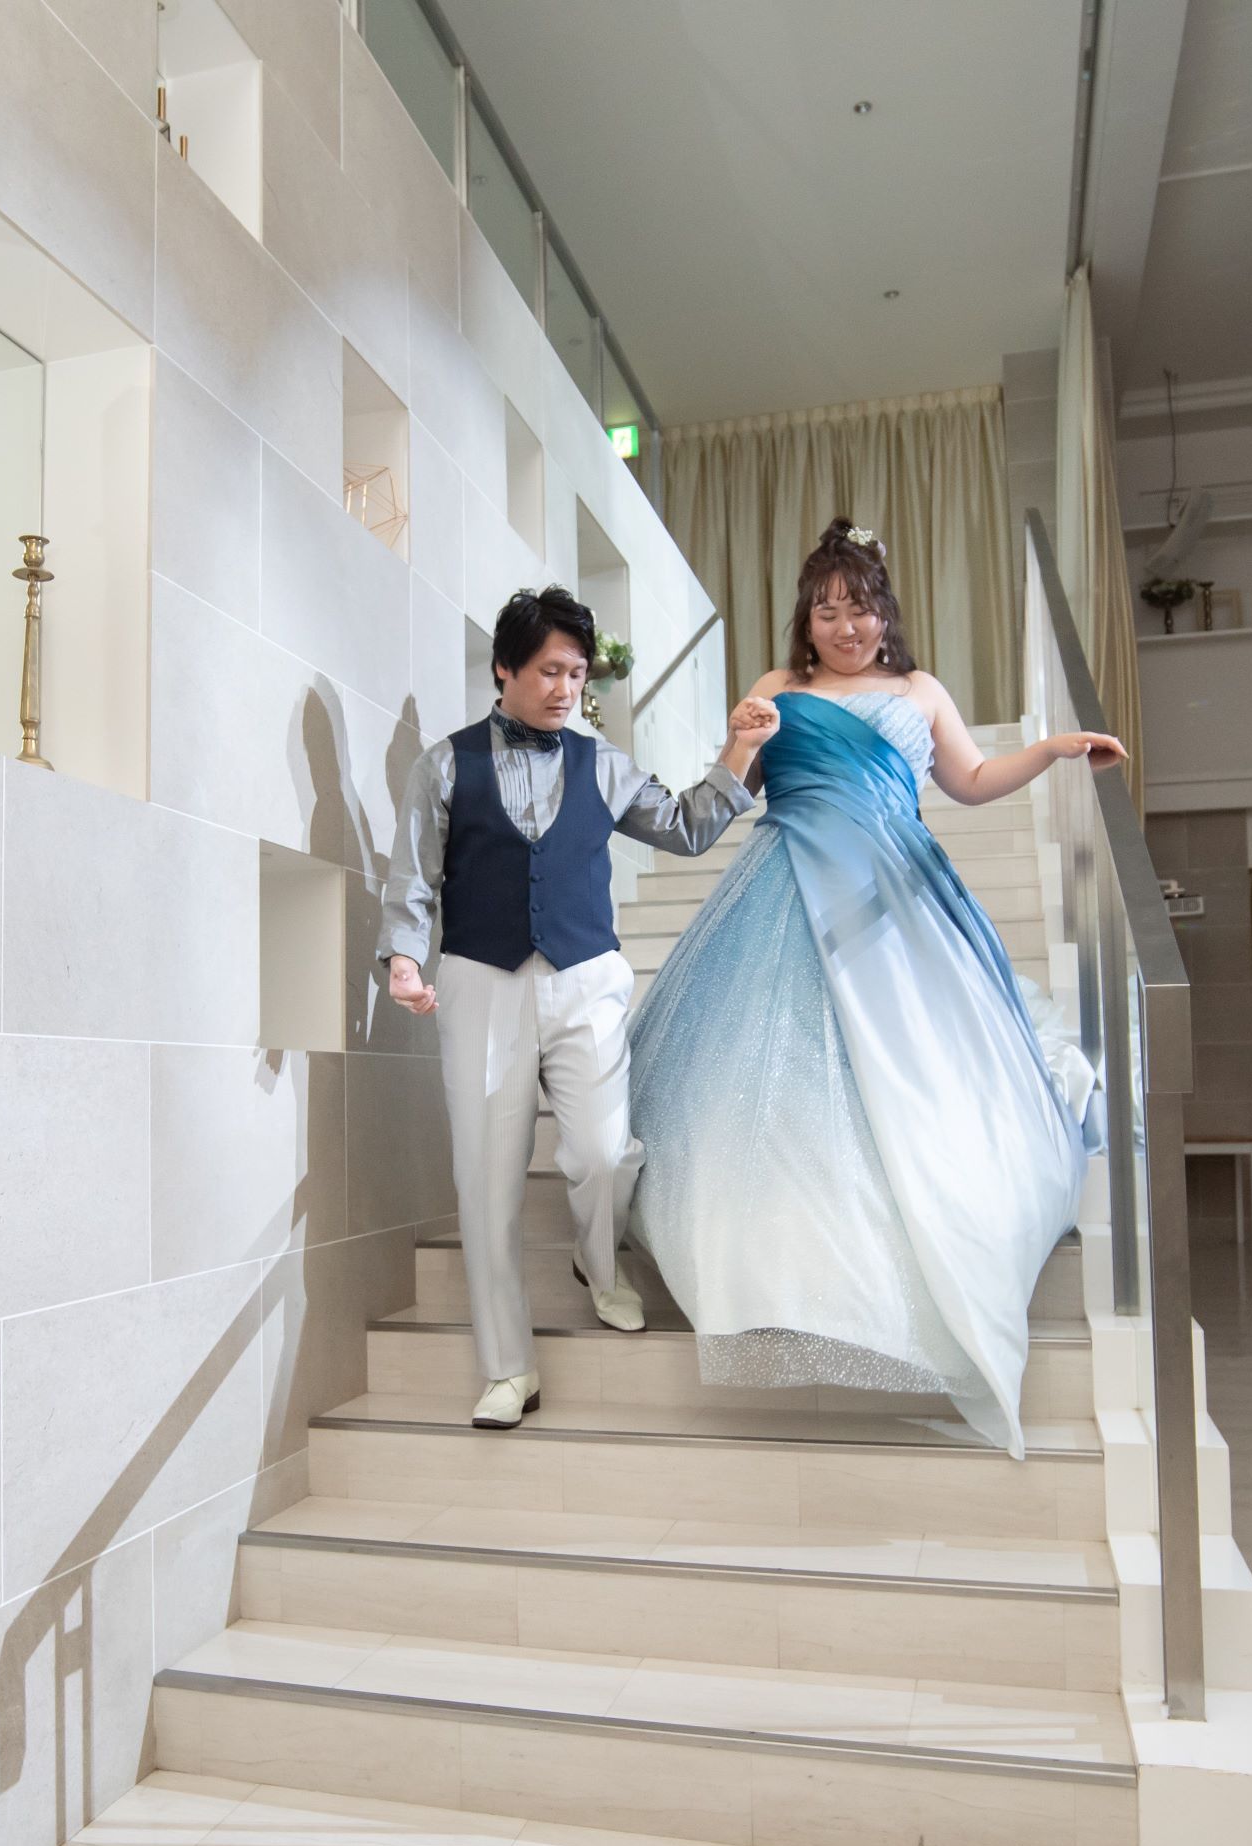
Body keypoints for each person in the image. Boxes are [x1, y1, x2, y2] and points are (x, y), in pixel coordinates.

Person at [627, 520, 1122, 1457]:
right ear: (805, 621)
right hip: (788, 880)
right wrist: (737, 744)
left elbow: (971, 780)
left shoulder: (919, 690)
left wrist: (1054, 749)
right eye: (827, 611)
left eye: (859, 608)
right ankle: (781, 1268)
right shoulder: (777, 689)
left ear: (884, 614)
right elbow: (729, 792)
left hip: (899, 895)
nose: (845, 626)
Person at [378, 584, 781, 1429]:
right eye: (549, 671)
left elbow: (686, 827)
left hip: (587, 978)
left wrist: (739, 749)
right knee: (486, 1180)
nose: (566, 688)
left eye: (576, 672)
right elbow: (412, 878)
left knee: (601, 1152)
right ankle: (506, 1368)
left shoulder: (604, 763)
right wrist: (404, 962)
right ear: (504, 668)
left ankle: (599, 1264)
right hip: (479, 981)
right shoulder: (444, 765)